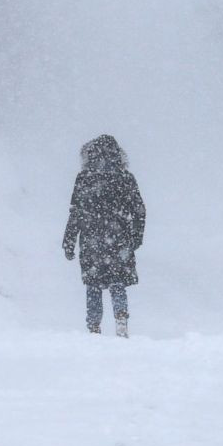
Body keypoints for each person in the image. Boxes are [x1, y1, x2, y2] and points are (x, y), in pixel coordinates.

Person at [62, 135, 146, 337]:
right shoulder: (125, 177)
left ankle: (93, 326)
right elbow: (139, 210)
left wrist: (69, 240)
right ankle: (121, 318)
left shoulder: (84, 178)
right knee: (117, 281)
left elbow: (76, 212)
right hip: (119, 237)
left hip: (92, 237)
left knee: (93, 283)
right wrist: (136, 236)